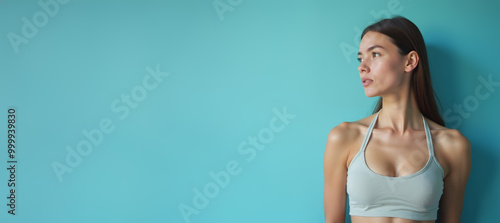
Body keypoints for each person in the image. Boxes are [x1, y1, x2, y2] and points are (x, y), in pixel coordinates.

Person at [323, 16, 471, 223]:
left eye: (375, 54)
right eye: (360, 58)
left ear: (410, 61)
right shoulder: (344, 137)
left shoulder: (452, 146)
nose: (362, 67)